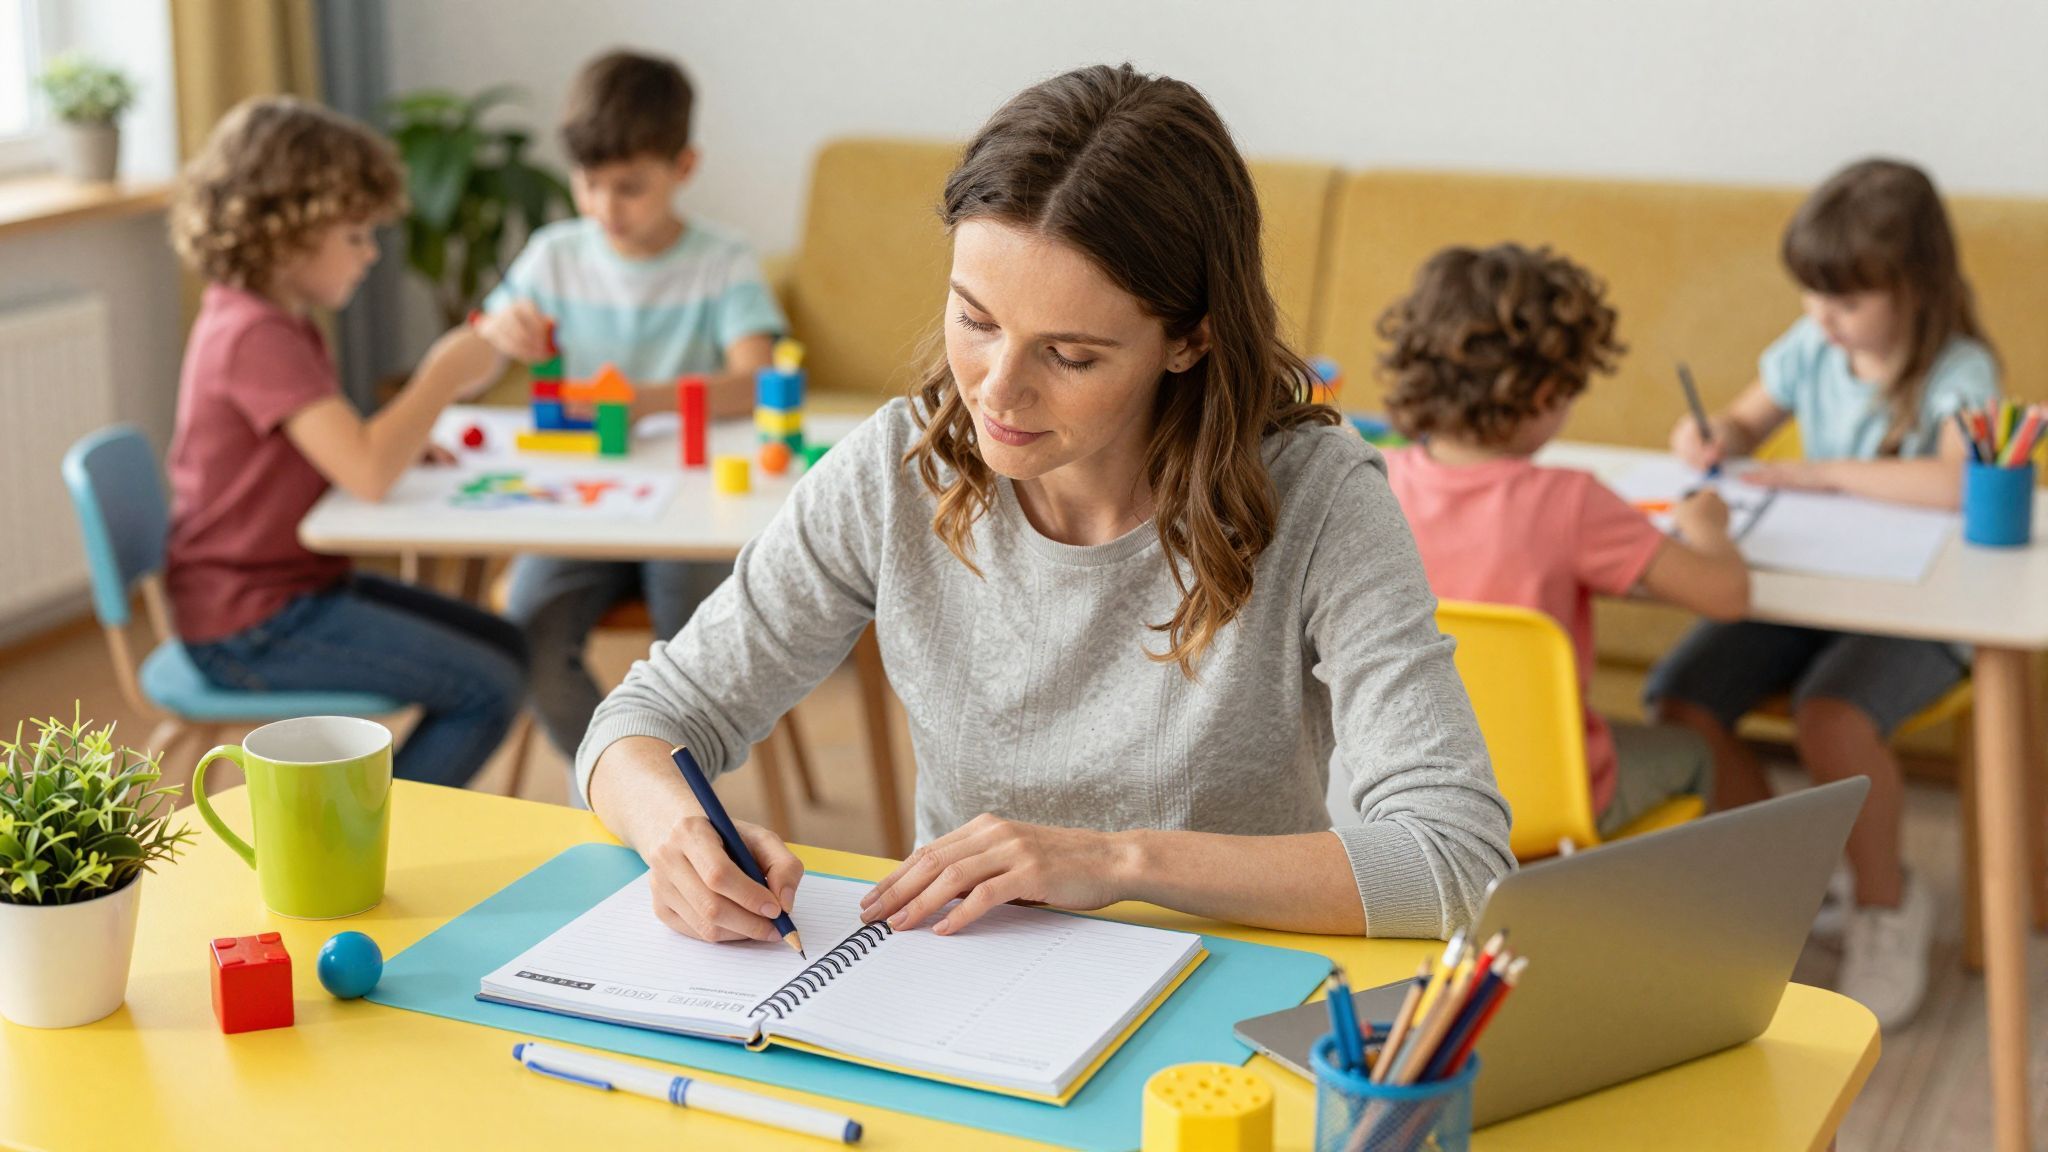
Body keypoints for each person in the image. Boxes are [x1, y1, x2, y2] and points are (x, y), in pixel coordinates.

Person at [576, 64, 1512, 946]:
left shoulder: (1319, 498)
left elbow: (1457, 861)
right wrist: (676, 837)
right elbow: (641, 722)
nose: (995, 392)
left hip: (1226, 995)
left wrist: (1119, 861)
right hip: (967, 989)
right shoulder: (895, 474)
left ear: (1188, 340)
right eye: (976, 321)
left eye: (1069, 355)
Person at [1649, 158, 2001, 1028]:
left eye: (1845, 302)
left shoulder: (1960, 368)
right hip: (1801, 596)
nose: (1823, 320)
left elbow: (1959, 482)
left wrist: (1818, 474)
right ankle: (1801, 876)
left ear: (1911, 287)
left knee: (1831, 717)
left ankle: (1884, 905)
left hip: (1920, 611)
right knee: (1682, 701)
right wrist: (1710, 434)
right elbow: (1742, 423)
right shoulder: (1813, 346)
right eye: (1813, 297)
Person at [165, 97, 526, 788]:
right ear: (288, 230)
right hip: (252, 623)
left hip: (287, 589)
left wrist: (399, 437)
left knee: (508, 644)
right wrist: (442, 375)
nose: (369, 254)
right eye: (355, 235)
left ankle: (382, 822)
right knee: (489, 687)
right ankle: (374, 833)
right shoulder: (256, 335)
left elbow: (334, 445)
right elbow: (365, 472)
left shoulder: (270, 319)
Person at [474, 50, 785, 787]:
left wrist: (642, 400)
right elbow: (484, 342)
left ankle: (681, 795)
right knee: (530, 632)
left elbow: (758, 378)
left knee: (698, 650)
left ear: (684, 166)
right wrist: (498, 333)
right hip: (587, 500)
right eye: (588, 184)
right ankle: (633, 790)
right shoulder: (554, 257)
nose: (605, 207)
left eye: (629, 188)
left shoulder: (722, 260)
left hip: (687, 502)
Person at [1380, 243, 1750, 839]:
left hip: (1402, 794)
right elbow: (1727, 595)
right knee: (1695, 753)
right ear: (1547, 392)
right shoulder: (1570, 501)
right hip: (1546, 802)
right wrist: (1710, 529)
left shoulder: (1379, 481)